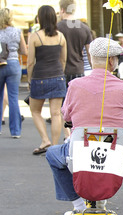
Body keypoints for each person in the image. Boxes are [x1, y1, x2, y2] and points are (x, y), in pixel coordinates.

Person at [46, 37, 123, 212]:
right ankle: (100, 202)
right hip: (114, 151)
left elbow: (66, 114)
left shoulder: (75, 85)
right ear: (112, 61)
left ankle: (78, 205)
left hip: (81, 149)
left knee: (52, 154)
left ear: (90, 57)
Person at [27, 5, 67, 155]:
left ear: (40, 18)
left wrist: (30, 79)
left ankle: (45, 140)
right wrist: (59, 74)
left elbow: (30, 62)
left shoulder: (35, 37)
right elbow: (63, 60)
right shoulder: (61, 36)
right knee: (56, 113)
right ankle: (55, 146)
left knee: (35, 110)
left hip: (40, 77)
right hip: (57, 76)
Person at [0, 8, 27, 138]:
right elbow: (24, 50)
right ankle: (16, 131)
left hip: (0, 64)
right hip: (13, 64)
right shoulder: (17, 31)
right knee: (13, 98)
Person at [57, 0, 93, 85]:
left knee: (63, 98)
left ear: (62, 10)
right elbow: (90, 53)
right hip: (78, 69)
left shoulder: (57, 28)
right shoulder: (85, 28)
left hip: (61, 70)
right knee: (78, 98)